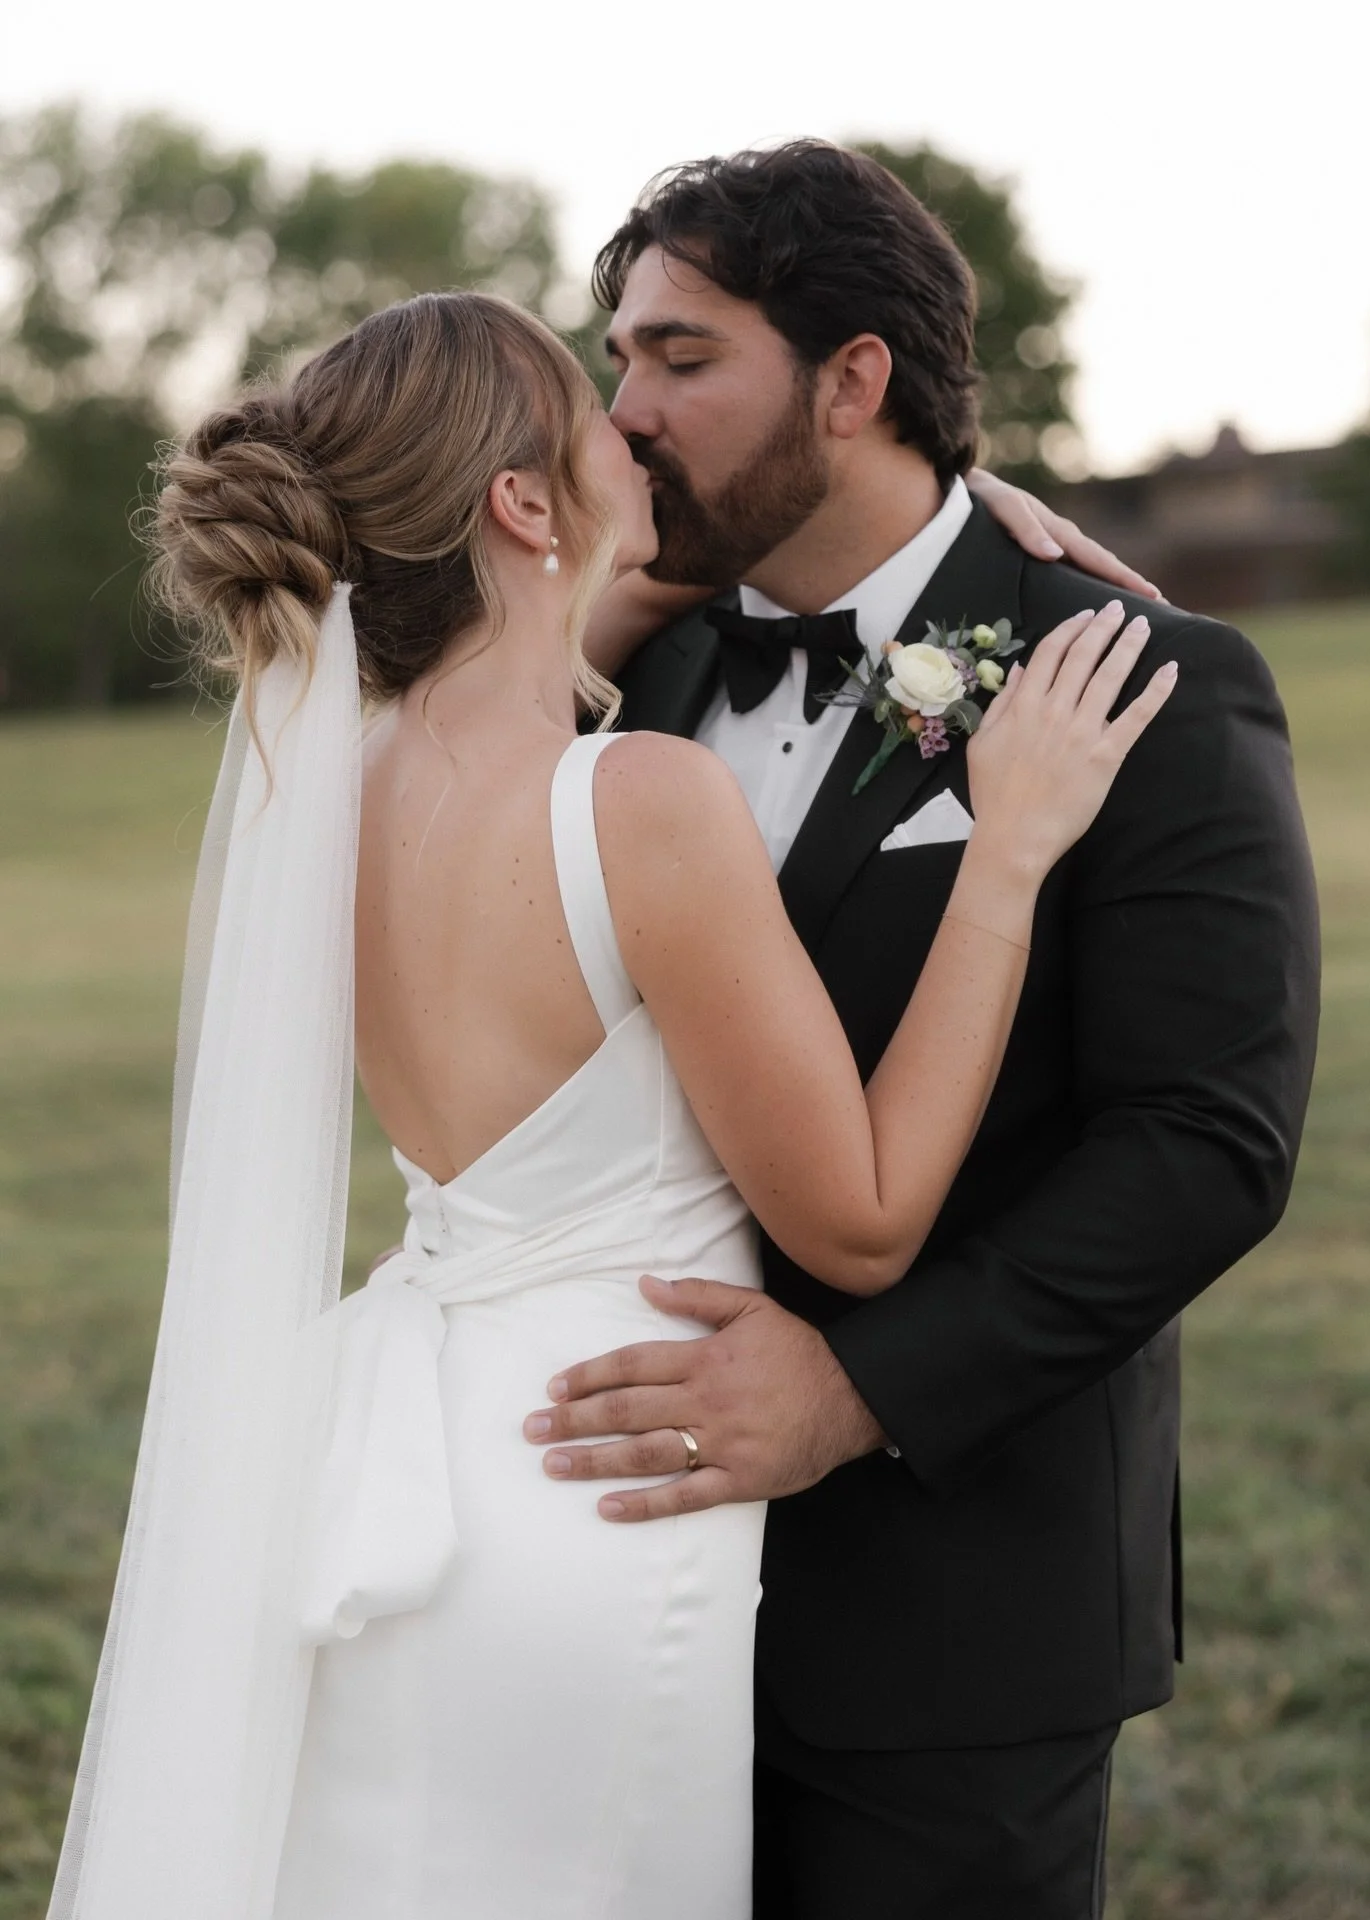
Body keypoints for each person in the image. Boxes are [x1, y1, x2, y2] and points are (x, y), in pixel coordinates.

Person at [45, 287, 1171, 1920]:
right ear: (521, 502)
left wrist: (952, 505)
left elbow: (646, 577)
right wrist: (1007, 851)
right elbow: (858, 1228)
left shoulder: (331, 789)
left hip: (396, 1475)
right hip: (608, 1478)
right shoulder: (638, 798)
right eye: (595, 407)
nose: (634, 426)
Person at [521, 141, 1323, 1918]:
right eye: (621, 355)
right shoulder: (623, 674)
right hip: (611, 1575)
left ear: (855, 374)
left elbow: (1207, 1145)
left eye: (682, 356)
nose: (625, 407)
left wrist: (858, 1396)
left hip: (963, 1614)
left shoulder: (1140, 680)